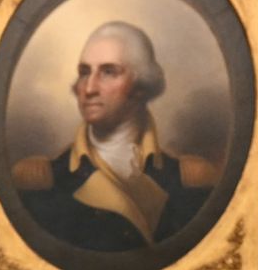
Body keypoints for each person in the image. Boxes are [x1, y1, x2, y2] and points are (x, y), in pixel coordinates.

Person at [12, 22, 220, 253]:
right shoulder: (39, 182)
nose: (89, 88)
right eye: (84, 72)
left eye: (108, 72)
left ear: (141, 85)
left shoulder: (190, 180)